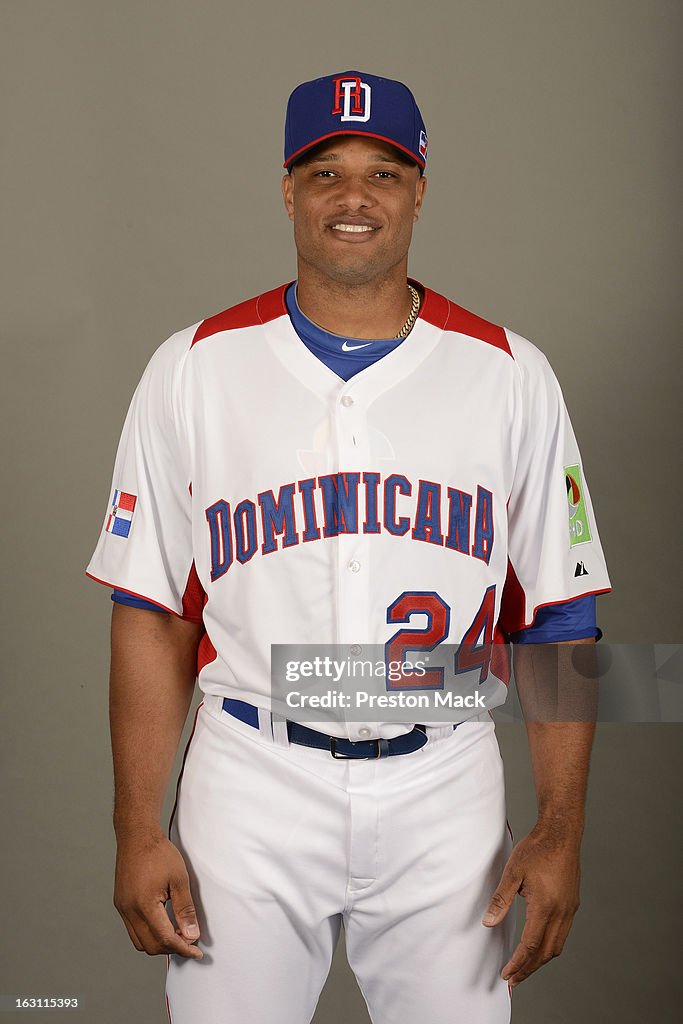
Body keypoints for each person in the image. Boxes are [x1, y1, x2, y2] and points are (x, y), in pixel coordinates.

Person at [87, 71, 611, 1024]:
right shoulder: (193, 367)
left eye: (382, 171)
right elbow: (150, 610)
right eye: (324, 171)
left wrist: (560, 828)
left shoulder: (509, 375)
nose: (353, 197)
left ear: (418, 190)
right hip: (251, 779)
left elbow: (559, 616)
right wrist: (133, 826)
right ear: (287, 190)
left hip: (442, 780)